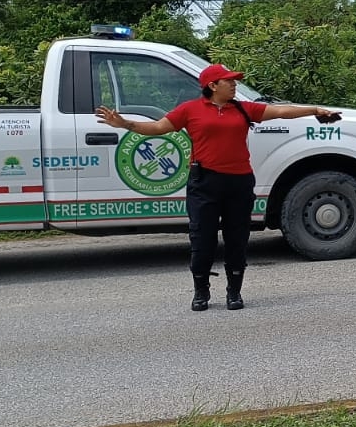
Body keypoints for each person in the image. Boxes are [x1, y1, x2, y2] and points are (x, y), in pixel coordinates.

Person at [96, 63, 340, 311]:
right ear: (212, 86)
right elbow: (158, 128)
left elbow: (280, 112)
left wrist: (313, 110)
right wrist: (124, 124)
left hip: (239, 182)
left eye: (234, 81)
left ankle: (234, 292)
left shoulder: (244, 109)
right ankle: (201, 291)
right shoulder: (190, 110)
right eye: (229, 81)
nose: (234, 84)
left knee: (237, 239)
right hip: (205, 183)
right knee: (203, 239)